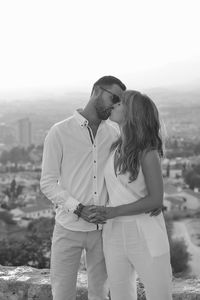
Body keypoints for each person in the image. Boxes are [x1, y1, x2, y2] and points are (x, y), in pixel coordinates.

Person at [40, 76, 126, 300]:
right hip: (67, 229)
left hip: (103, 230)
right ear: (97, 91)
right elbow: (47, 182)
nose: (116, 105)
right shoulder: (59, 132)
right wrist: (79, 209)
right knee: (62, 294)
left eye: (120, 102)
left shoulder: (114, 133)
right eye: (113, 98)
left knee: (101, 294)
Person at [88, 90, 173, 300]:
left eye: (120, 104)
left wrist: (112, 211)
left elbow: (155, 200)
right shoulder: (115, 148)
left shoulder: (147, 151)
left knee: (159, 295)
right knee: (119, 295)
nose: (114, 106)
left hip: (145, 232)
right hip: (114, 233)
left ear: (133, 113)